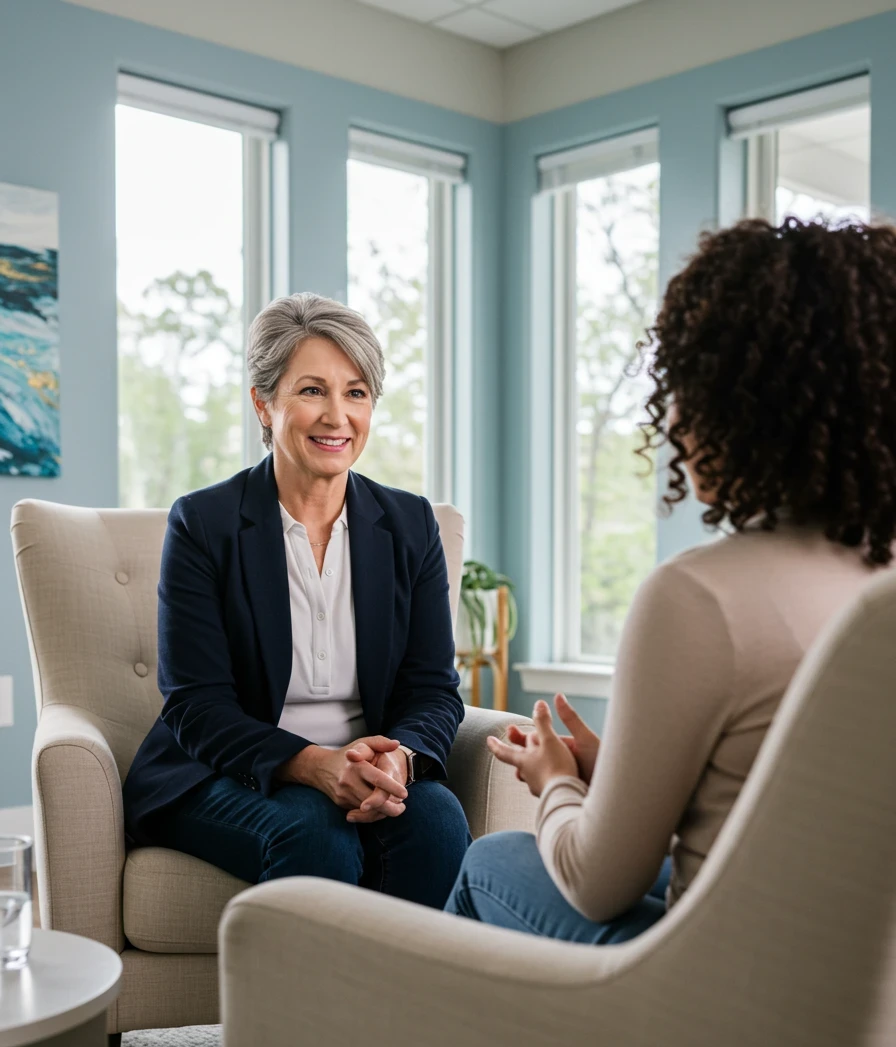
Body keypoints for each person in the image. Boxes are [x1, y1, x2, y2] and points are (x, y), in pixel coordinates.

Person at [446, 216, 896, 942]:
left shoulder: (701, 599)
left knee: (494, 860)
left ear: (747, 404)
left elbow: (596, 885)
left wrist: (555, 780)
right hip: (848, 994)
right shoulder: (876, 582)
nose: (675, 422)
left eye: (686, 386)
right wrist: (616, 770)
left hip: (713, 1007)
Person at [124, 293, 470, 908]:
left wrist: (401, 762)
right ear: (265, 403)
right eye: (312, 390)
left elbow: (432, 688)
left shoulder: (412, 525)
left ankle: (410, 1007)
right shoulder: (203, 523)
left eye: (356, 393)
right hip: (227, 773)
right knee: (315, 833)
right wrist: (312, 765)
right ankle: (301, 1008)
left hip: (369, 762)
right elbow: (195, 703)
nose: (337, 416)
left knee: (437, 821)